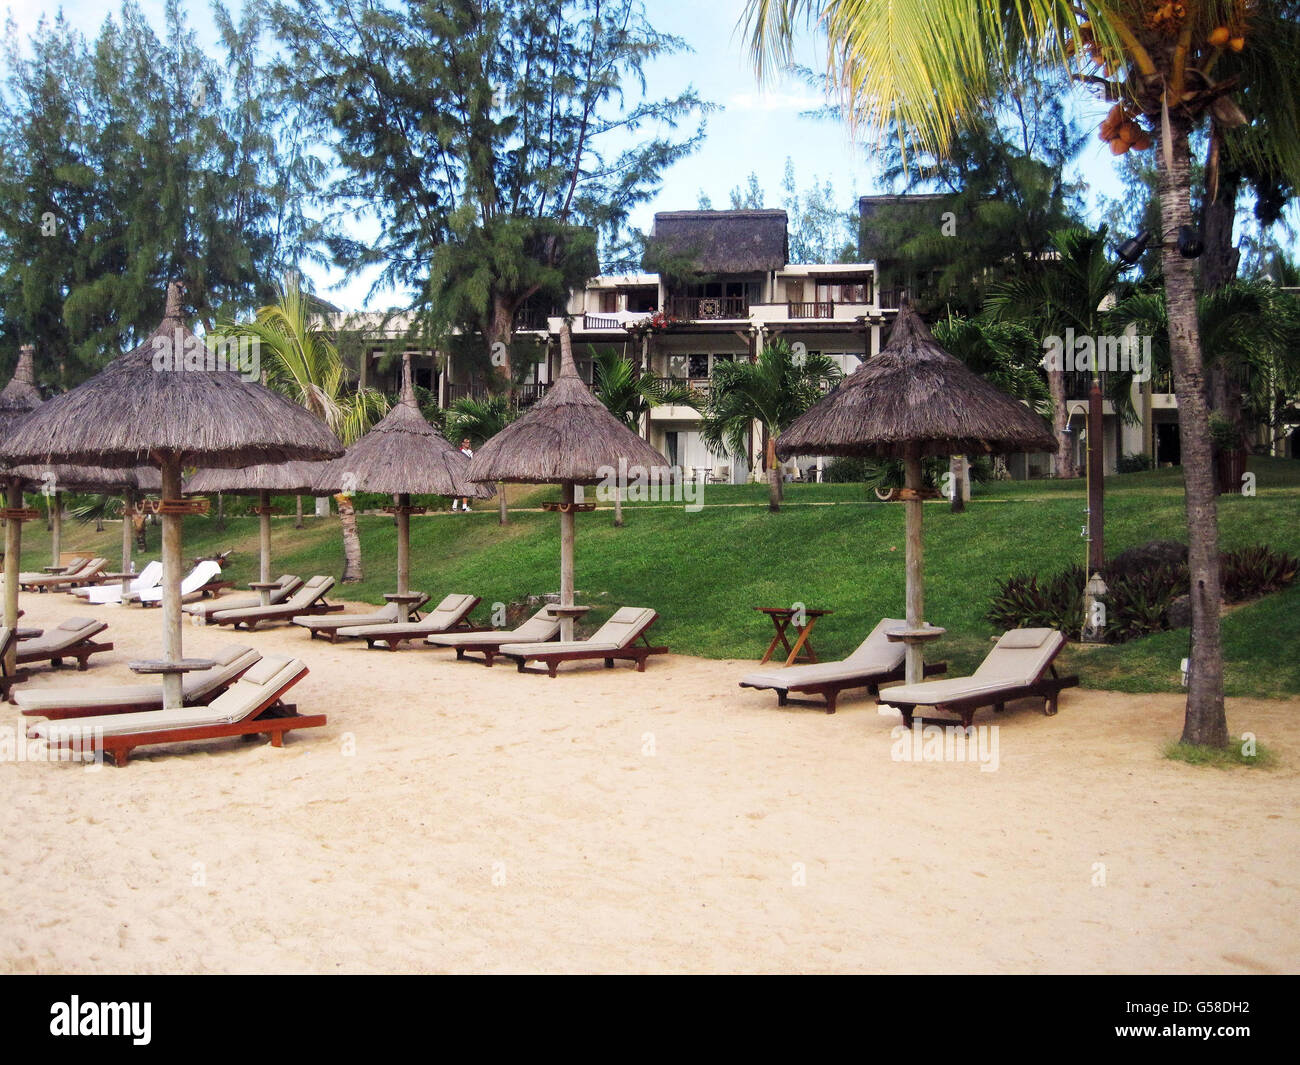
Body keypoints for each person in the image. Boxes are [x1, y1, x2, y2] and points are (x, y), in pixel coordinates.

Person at [453, 438, 474, 512]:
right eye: (466, 442)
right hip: (460, 472)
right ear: (462, 443)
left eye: (468, 442)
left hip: (467, 471)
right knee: (461, 489)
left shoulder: (470, 452)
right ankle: (459, 506)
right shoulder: (460, 451)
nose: (467, 444)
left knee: (464, 489)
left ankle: (460, 506)